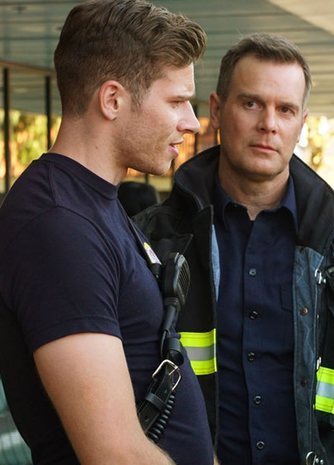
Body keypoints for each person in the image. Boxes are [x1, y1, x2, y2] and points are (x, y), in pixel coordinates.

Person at [135, 32, 334, 465]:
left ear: (302, 122)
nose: (269, 124)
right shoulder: (152, 242)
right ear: (216, 110)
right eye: (251, 103)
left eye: (285, 109)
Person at [0, 1, 213, 464]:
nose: (192, 122)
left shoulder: (92, 204)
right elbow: (114, 454)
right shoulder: (57, 224)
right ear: (112, 99)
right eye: (176, 101)